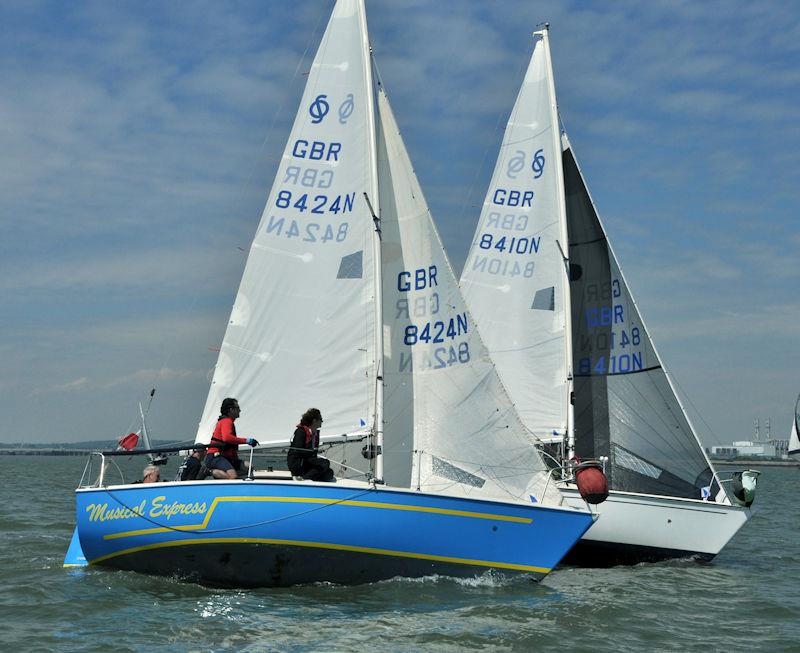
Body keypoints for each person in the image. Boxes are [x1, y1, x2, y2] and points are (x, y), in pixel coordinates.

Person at [205, 398, 258, 479]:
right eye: (237, 408)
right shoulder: (226, 421)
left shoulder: (227, 421)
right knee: (233, 476)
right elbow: (227, 438)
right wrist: (247, 441)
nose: (240, 410)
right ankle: (209, 471)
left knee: (249, 467)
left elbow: (230, 446)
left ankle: (225, 477)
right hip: (215, 456)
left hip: (225, 457)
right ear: (231, 410)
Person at [287, 408, 334, 482]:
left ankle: (308, 478)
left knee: (329, 473)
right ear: (314, 420)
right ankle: (304, 479)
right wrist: (312, 452)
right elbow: (297, 450)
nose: (322, 421)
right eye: (320, 419)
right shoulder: (301, 431)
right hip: (300, 464)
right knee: (324, 463)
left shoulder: (313, 432)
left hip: (307, 461)